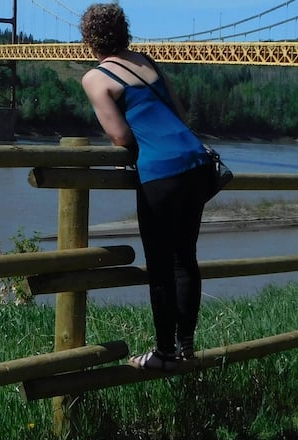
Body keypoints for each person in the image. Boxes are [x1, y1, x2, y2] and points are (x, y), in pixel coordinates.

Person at [79, 3, 218, 371]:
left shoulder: (95, 77)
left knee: (160, 266)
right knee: (184, 259)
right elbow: (181, 116)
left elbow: (120, 135)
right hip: (197, 165)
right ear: (125, 32)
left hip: (161, 172)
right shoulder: (147, 62)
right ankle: (185, 350)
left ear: (89, 40)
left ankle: (163, 354)